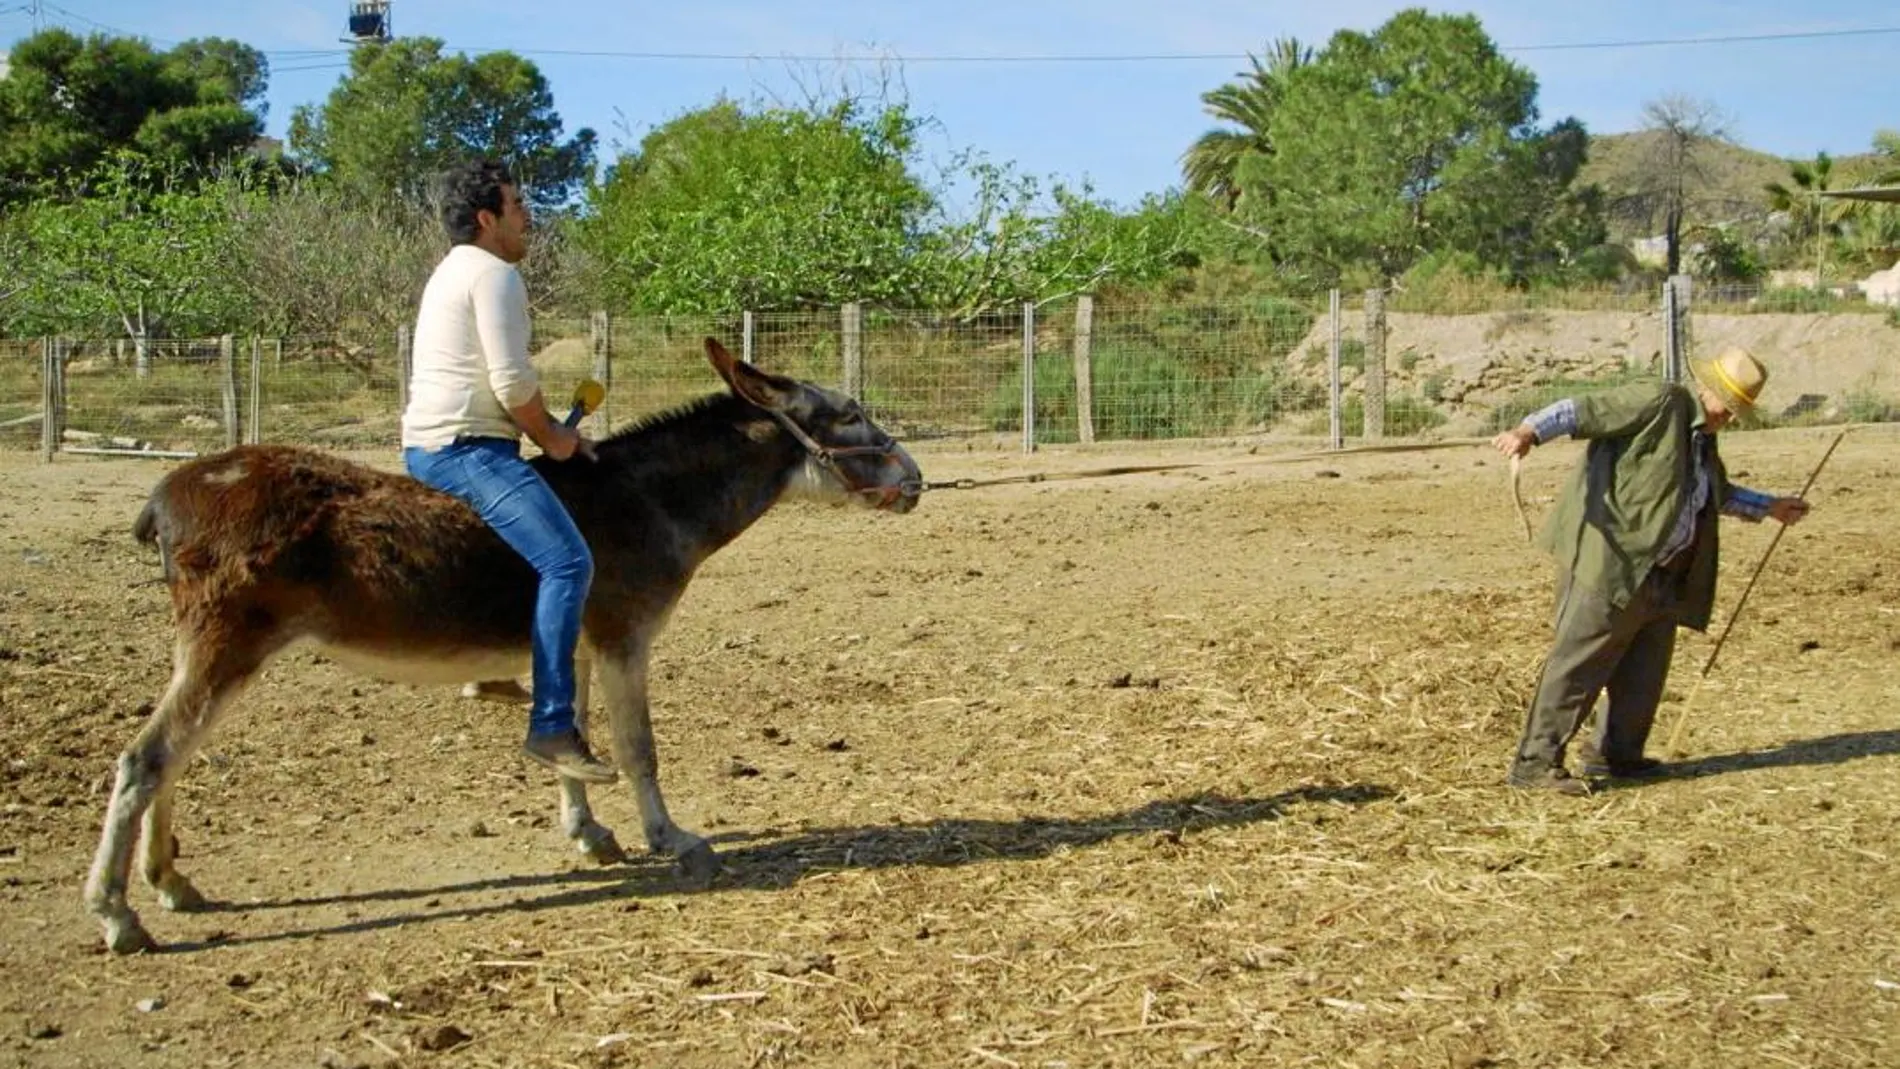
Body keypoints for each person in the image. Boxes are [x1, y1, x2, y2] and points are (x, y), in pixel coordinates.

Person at [1491, 347, 1810, 796]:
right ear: (1709, 390)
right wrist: (1528, 432)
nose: (1730, 418)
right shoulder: (1661, 402)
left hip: (1664, 574)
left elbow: (1712, 494)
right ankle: (1535, 764)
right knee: (1577, 665)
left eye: (1738, 412)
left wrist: (1770, 507)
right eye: (1729, 407)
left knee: (1644, 671)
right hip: (1612, 562)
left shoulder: (1702, 437)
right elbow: (1578, 410)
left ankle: (1616, 757)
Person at [400, 158, 617, 785]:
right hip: (466, 450)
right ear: (487, 218)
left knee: (524, 546)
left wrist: (552, 431)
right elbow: (511, 381)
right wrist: (553, 437)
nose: (529, 218)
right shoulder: (493, 274)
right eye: (518, 205)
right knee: (568, 561)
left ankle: (490, 669)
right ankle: (552, 725)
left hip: (440, 443)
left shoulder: (452, 271)